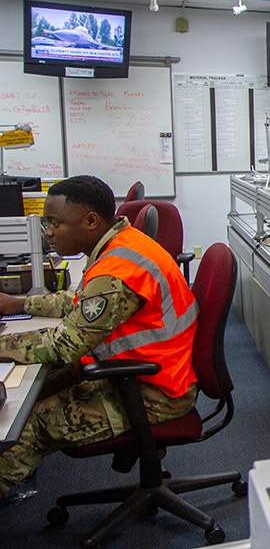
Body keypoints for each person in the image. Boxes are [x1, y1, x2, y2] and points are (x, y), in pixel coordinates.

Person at [0, 175, 199, 500]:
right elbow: (80, 302)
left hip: (156, 393)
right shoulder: (121, 243)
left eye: (55, 223)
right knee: (30, 397)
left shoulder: (118, 269)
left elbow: (64, 345)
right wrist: (19, 303)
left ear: (91, 221)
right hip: (149, 372)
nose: (47, 232)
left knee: (29, 423)